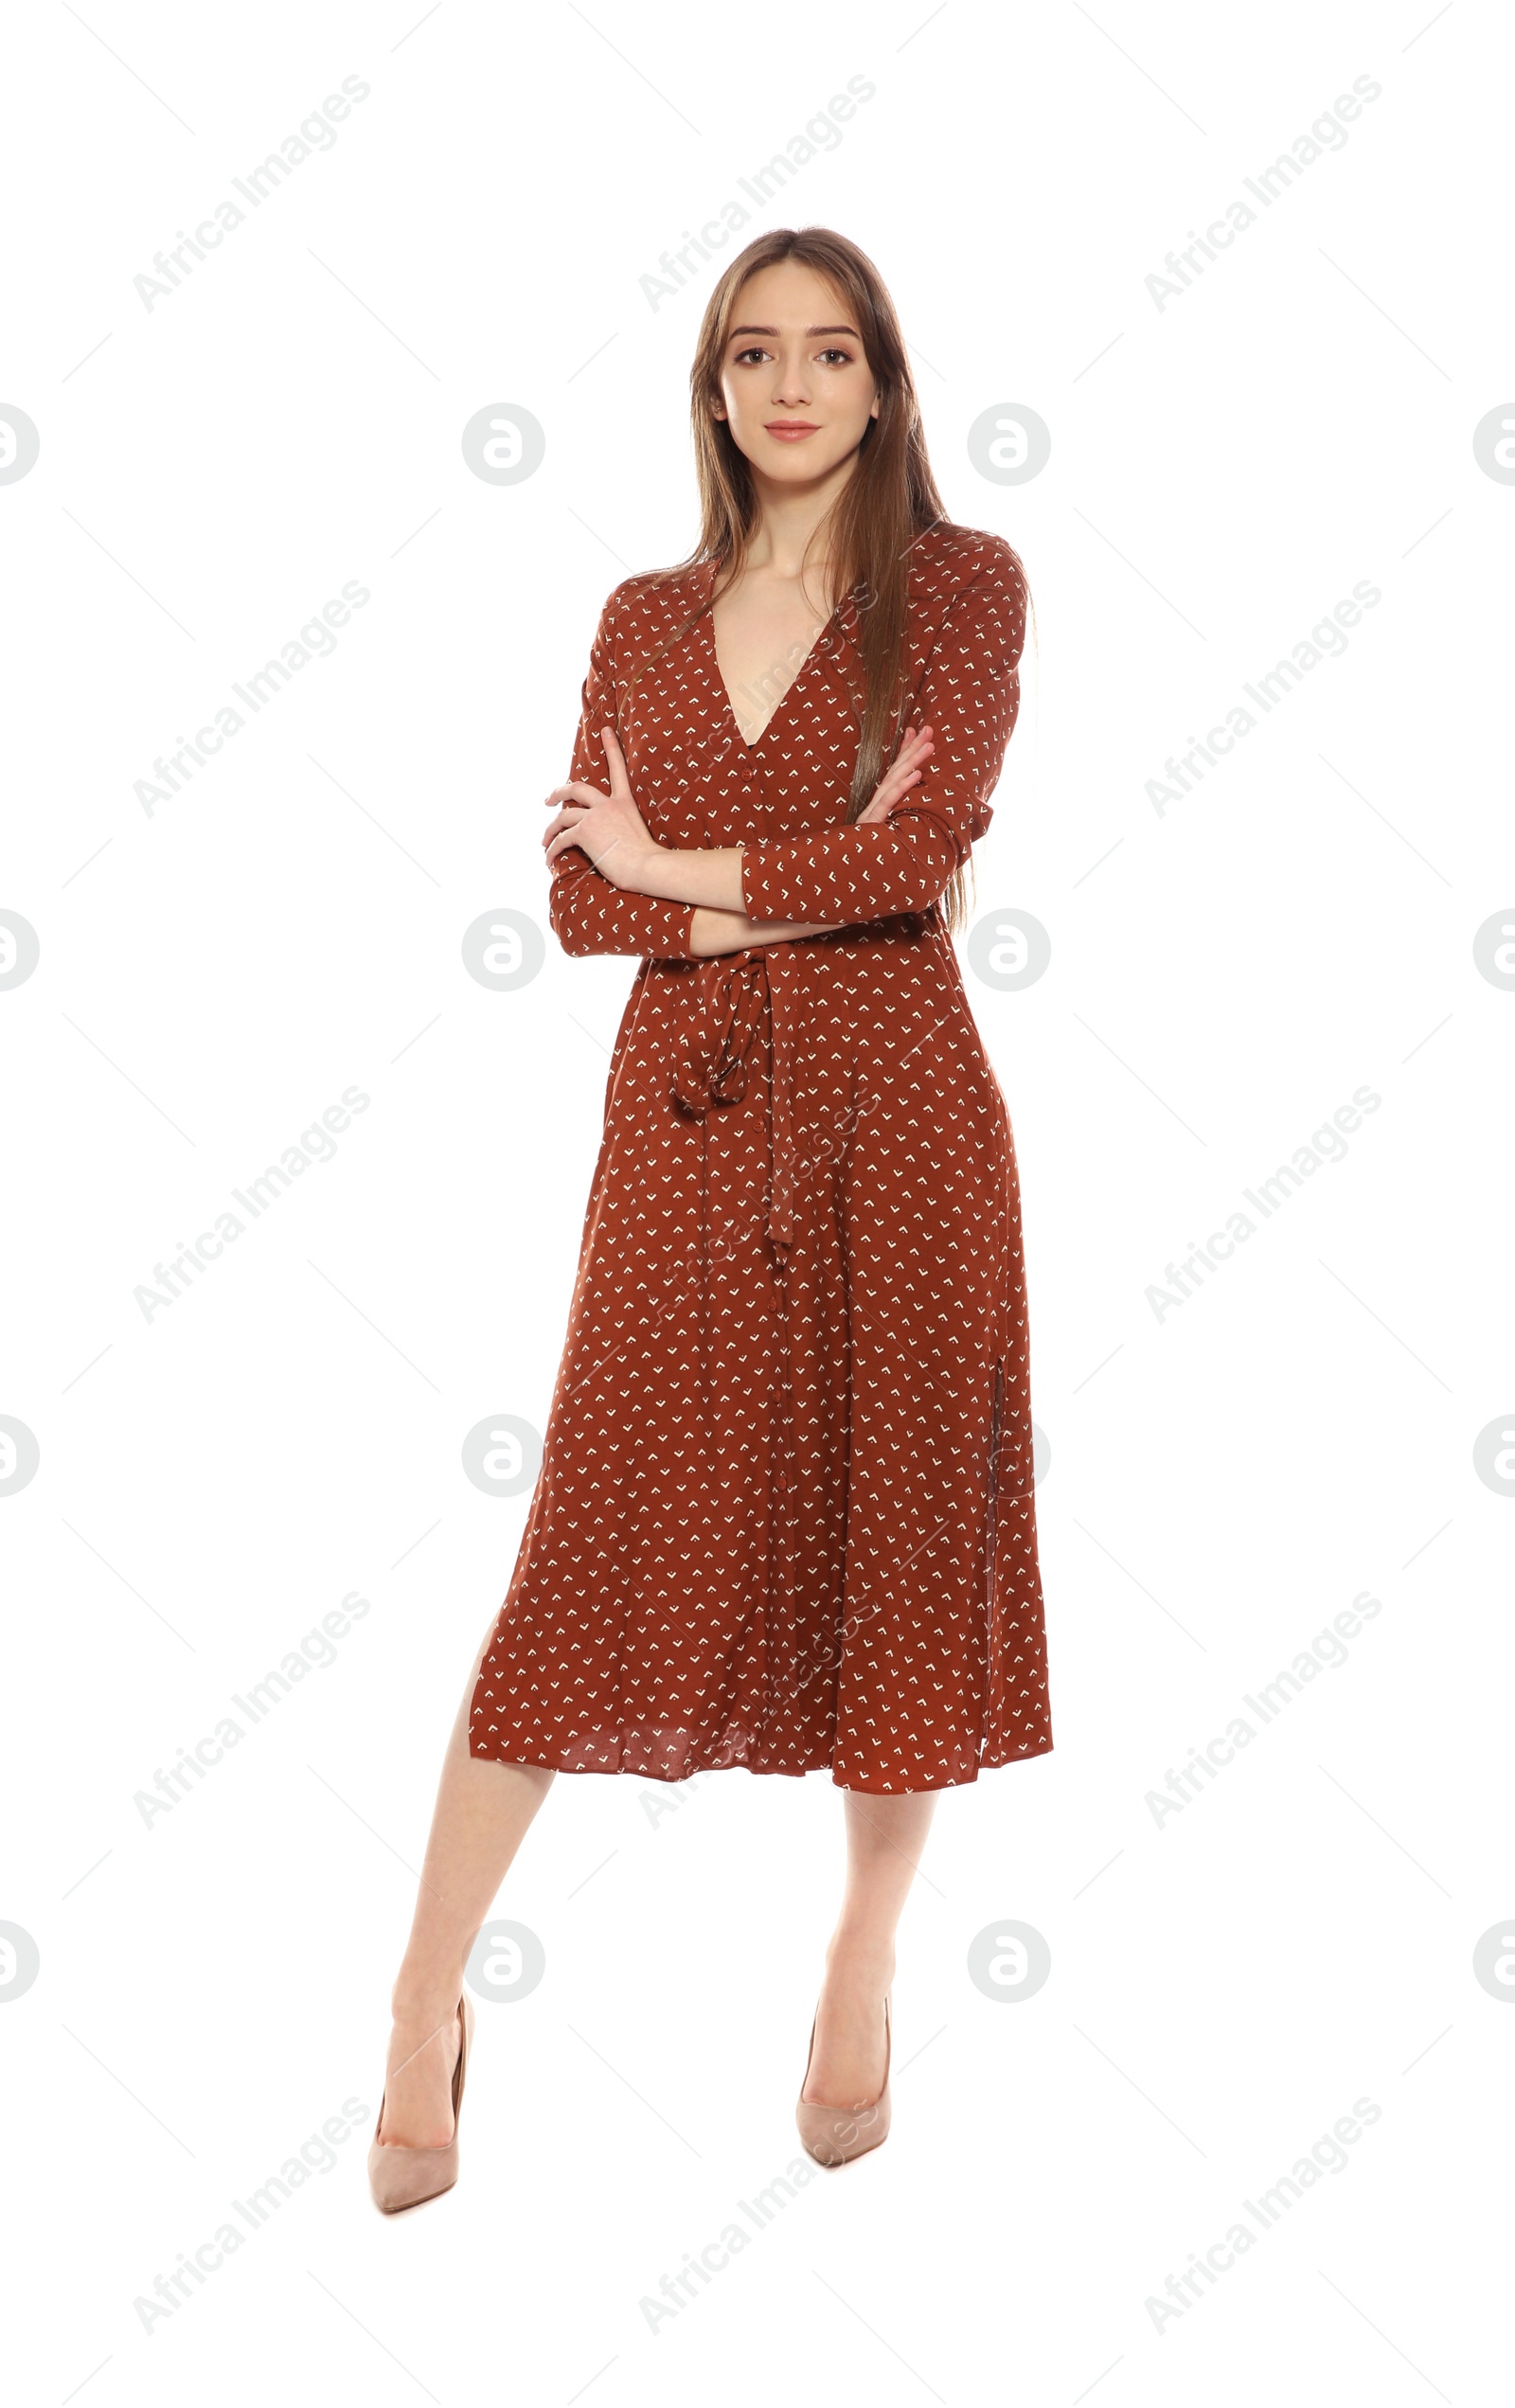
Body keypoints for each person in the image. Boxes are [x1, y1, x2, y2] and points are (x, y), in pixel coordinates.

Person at [368, 225, 1053, 2212]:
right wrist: (777, 874)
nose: (788, 387)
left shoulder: (959, 589)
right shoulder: (641, 619)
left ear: (882, 383)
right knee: (592, 1538)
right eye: (752, 352)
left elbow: (919, 852)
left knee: (897, 1537)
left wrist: (678, 854)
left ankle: (860, 1951)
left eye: (828, 353)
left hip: (899, 1119)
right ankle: (422, 1993)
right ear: (710, 385)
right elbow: (578, 906)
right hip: (683, 1121)